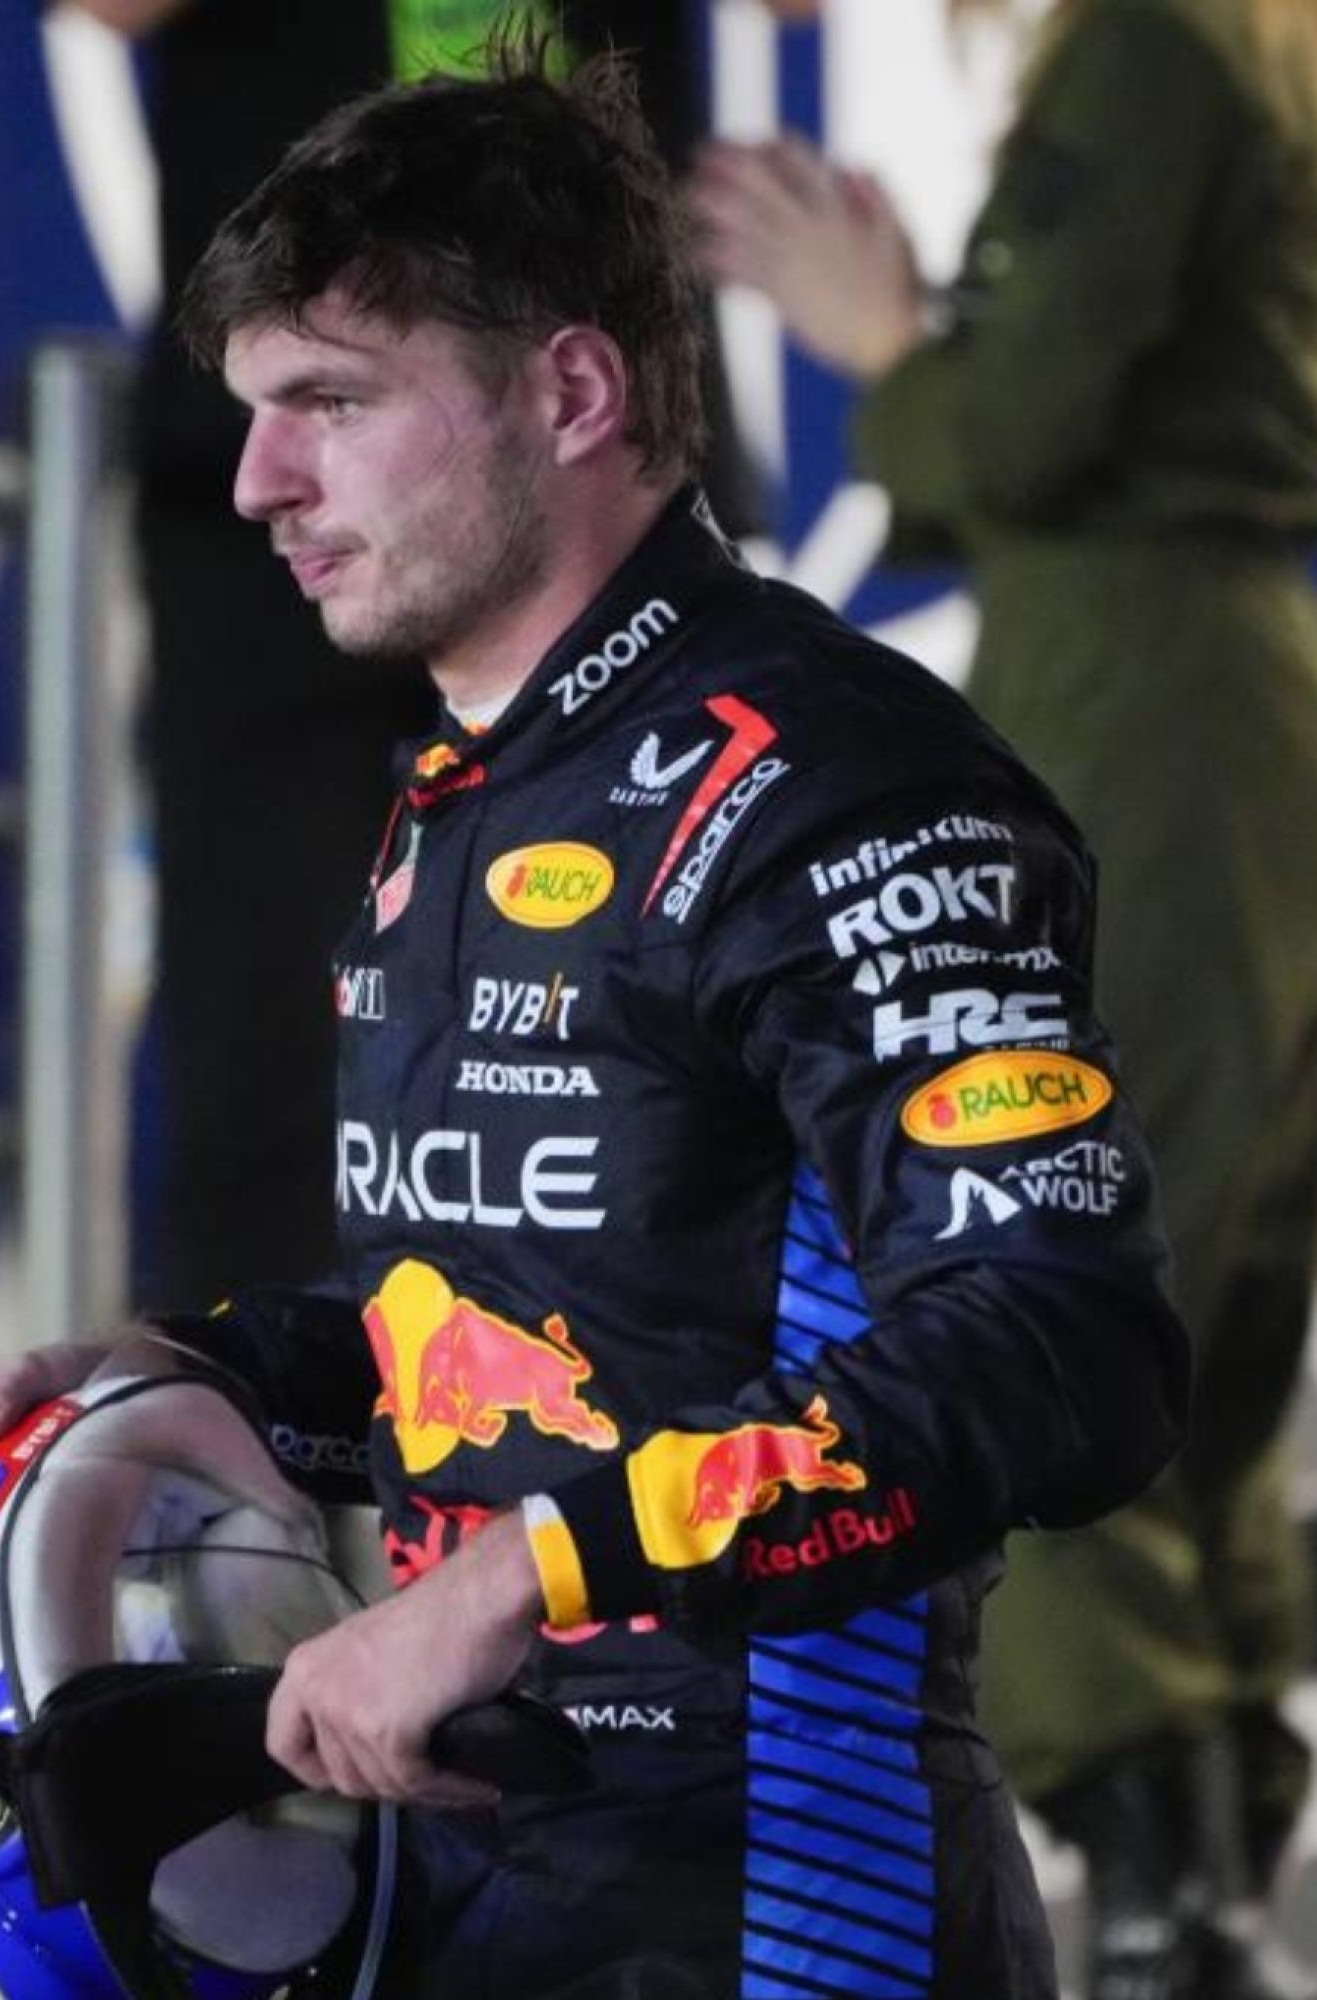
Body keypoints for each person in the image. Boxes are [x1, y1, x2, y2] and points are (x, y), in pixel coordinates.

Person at [0, 30, 1190, 1999]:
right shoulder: (476, 782)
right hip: (495, 1872)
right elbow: (578, 1316)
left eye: (332, 403)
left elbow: (1063, 1344)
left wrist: (528, 1575)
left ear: (574, 390)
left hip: (792, 1903)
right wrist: (204, 1369)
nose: (261, 481)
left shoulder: (833, 782)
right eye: (255, 412)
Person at [686, 3, 1317, 1995]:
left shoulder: (1147, 35)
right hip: (1229, 683)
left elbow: (1021, 431)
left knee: (1045, 1252)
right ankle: (1199, 1819)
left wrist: (886, 343)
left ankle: (1150, 1842)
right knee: (1210, 1272)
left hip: (1137, 692)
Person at [60, 0, 759, 1303]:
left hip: (581, 447)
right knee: (271, 999)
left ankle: (627, 1394)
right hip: (282, 487)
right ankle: (257, 1407)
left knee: (646, 976)